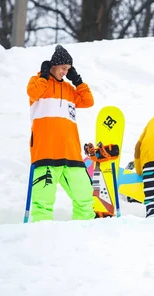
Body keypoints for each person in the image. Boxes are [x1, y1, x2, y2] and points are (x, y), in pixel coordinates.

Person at [27, 44, 95, 222]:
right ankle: (39, 235)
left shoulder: (70, 91)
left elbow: (88, 101)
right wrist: (43, 75)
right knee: (43, 200)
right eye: (64, 68)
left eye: (68, 70)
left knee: (84, 196)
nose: (65, 72)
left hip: (70, 152)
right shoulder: (38, 82)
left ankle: (86, 230)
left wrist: (78, 81)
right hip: (45, 151)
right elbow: (33, 93)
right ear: (54, 65)